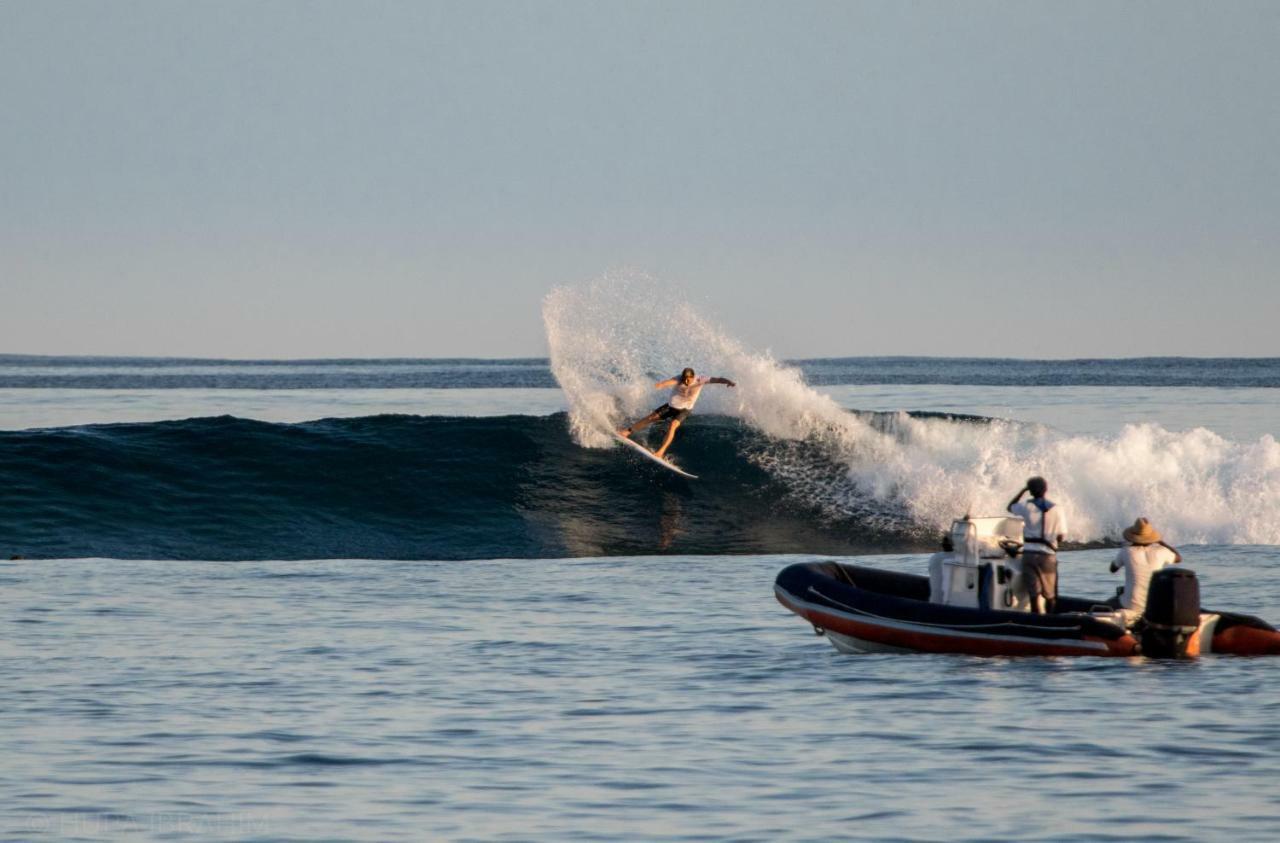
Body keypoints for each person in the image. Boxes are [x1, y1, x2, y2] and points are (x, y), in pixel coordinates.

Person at [618, 367, 735, 459]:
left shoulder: (701, 379)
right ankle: (627, 432)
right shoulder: (678, 378)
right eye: (684, 378)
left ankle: (661, 451)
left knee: (672, 425)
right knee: (651, 417)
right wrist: (660, 385)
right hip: (671, 406)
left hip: (685, 409)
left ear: (694, 377)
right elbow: (668, 382)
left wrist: (728, 381)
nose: (685, 381)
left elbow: (718, 379)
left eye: (688, 379)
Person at [1008, 476, 1068, 614]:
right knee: (1050, 596)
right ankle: (1050, 623)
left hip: (1029, 555)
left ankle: (1036, 622)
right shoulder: (1058, 509)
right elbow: (1061, 536)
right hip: (1048, 556)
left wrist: (1022, 491)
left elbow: (1010, 507)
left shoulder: (1025, 506)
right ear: (1046, 489)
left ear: (1030, 491)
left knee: (1034, 596)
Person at [1109, 517, 1181, 626]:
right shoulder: (1161, 551)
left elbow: (1112, 569)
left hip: (1130, 605)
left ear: (1132, 535)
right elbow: (1178, 558)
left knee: (1105, 605)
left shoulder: (1126, 551)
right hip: (1154, 604)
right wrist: (1160, 541)